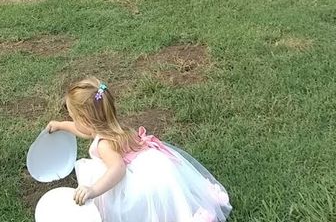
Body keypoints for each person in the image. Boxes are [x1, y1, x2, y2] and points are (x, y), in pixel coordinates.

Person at [46, 77, 232, 222]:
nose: (72, 121)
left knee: (142, 207)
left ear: (86, 120)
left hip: (140, 180)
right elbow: (84, 131)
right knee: (172, 198)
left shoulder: (104, 144)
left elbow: (118, 169)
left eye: (73, 117)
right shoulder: (113, 127)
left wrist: (93, 189)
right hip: (154, 164)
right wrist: (60, 125)